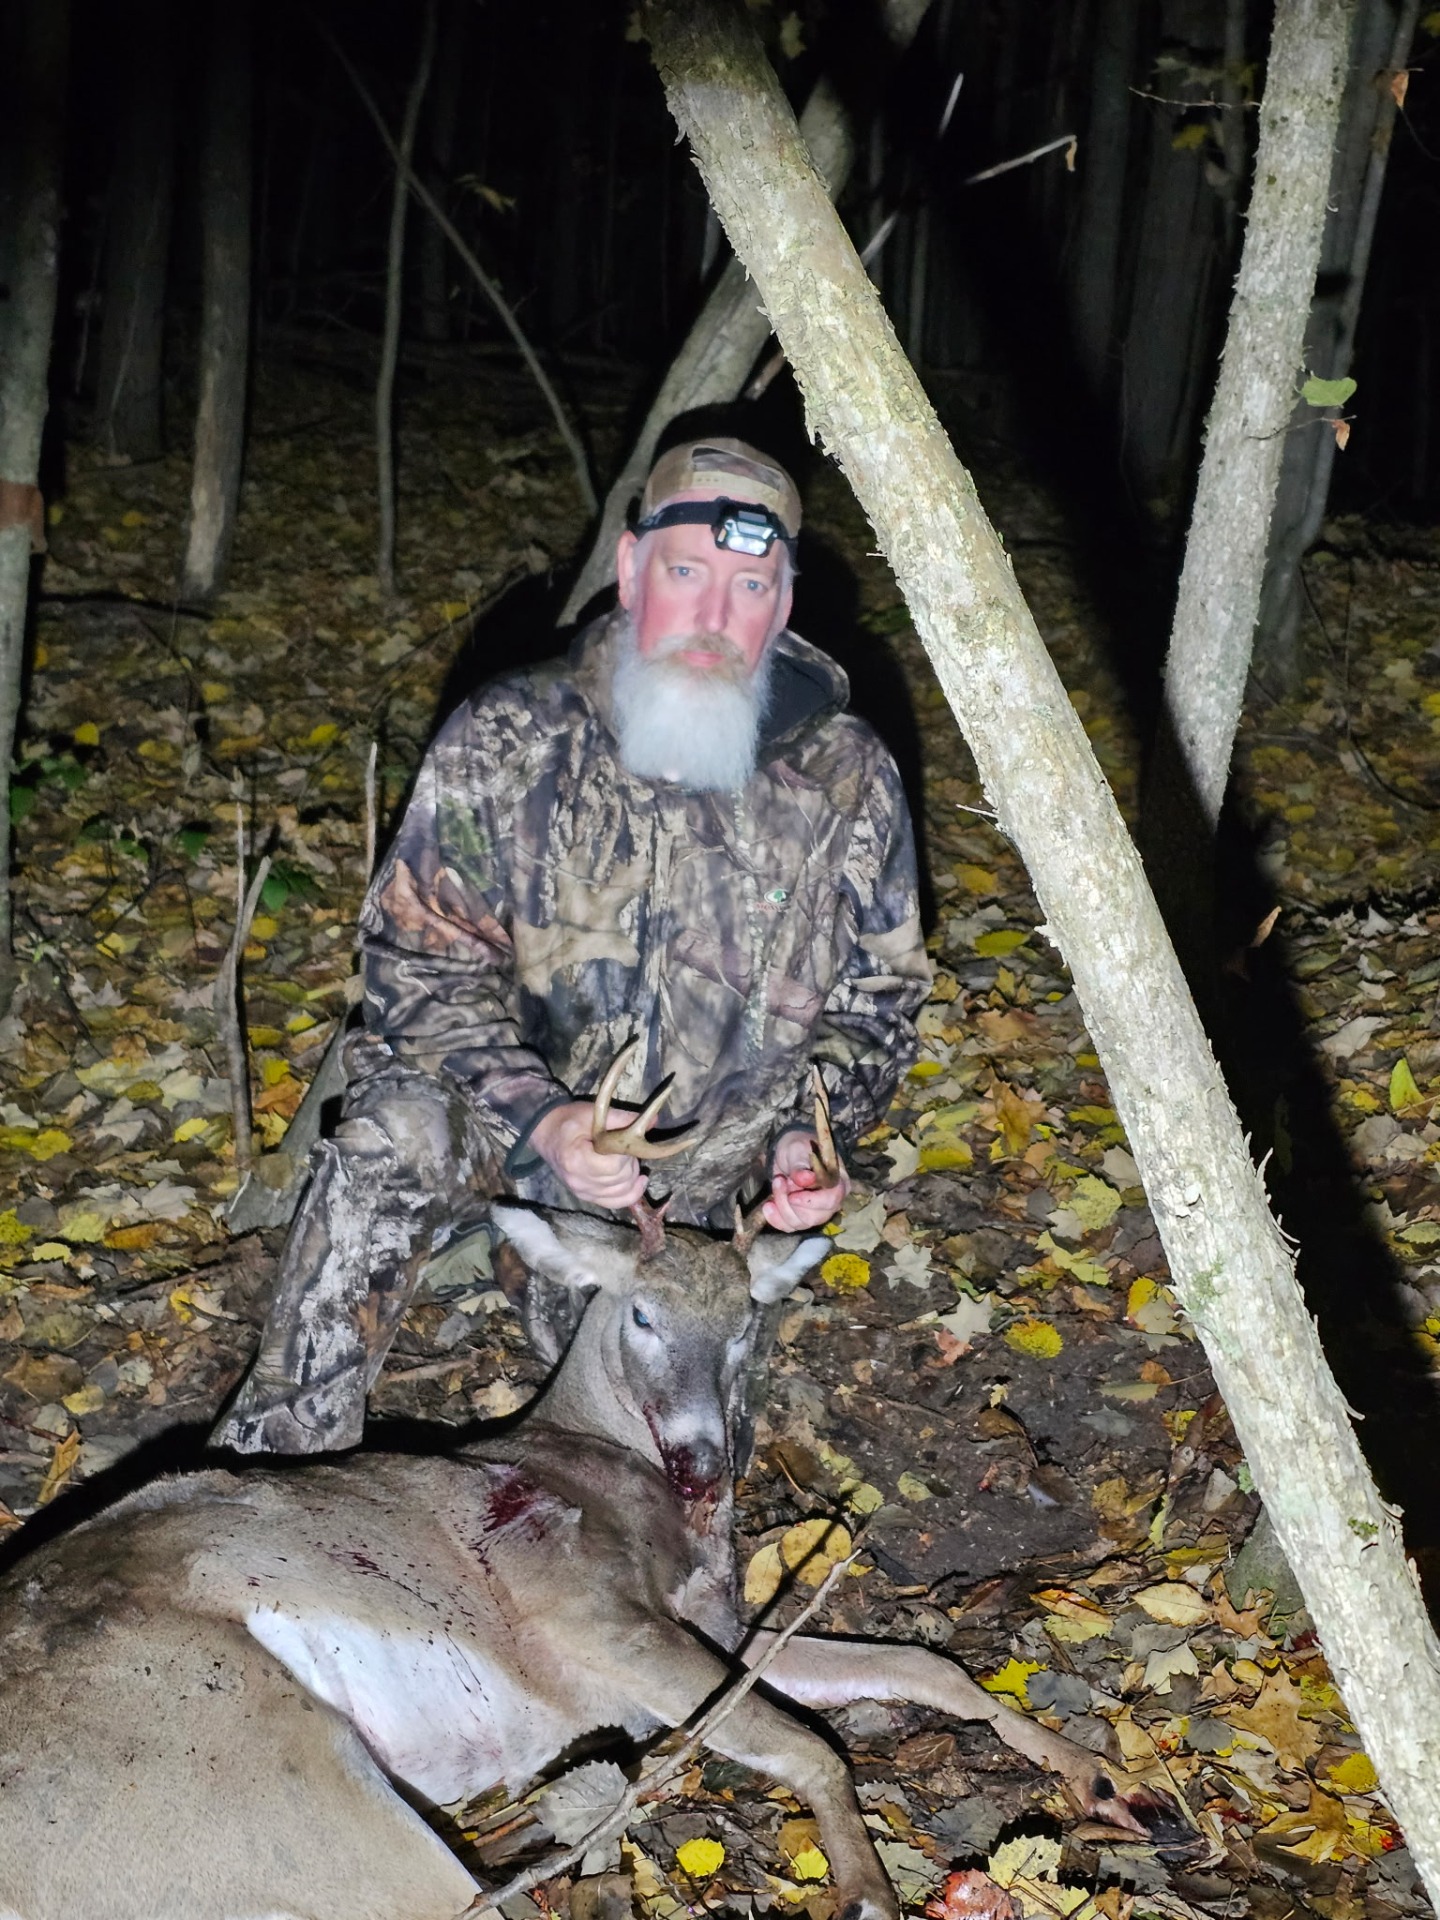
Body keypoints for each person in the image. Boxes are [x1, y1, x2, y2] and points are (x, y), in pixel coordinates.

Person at [215, 437, 930, 1454]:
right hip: (503, 1131)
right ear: (632, 571)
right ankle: (275, 1461)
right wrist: (546, 1123)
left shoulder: (845, 775)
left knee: (672, 1467)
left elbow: (879, 998)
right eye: (686, 574)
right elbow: (416, 967)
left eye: (750, 586)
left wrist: (809, 1140)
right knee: (392, 1136)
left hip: (693, 1199)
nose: (715, 615)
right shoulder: (511, 734)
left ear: (782, 604)